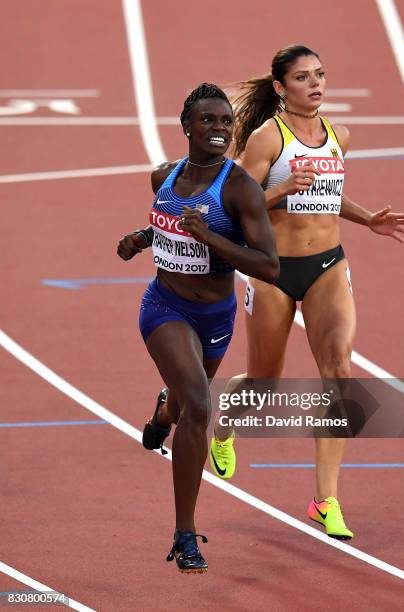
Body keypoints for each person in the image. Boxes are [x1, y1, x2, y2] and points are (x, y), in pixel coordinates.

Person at [210, 45, 404, 540]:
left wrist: (369, 220)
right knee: (264, 384)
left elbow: (326, 193)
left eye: (320, 74)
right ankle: (226, 422)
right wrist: (279, 191)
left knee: (339, 372)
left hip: (328, 266)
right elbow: (230, 205)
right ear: (281, 88)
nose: (316, 83)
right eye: (303, 78)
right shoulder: (265, 139)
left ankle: (325, 500)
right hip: (274, 270)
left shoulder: (339, 135)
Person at [117, 83, 279, 573]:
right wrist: (143, 238)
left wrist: (208, 236)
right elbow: (166, 222)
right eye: (208, 121)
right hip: (163, 307)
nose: (219, 130)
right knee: (203, 406)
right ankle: (184, 534)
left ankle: (164, 411)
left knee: (186, 401)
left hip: (215, 316)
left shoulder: (239, 188)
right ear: (186, 126)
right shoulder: (163, 176)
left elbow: (268, 265)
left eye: (226, 123)